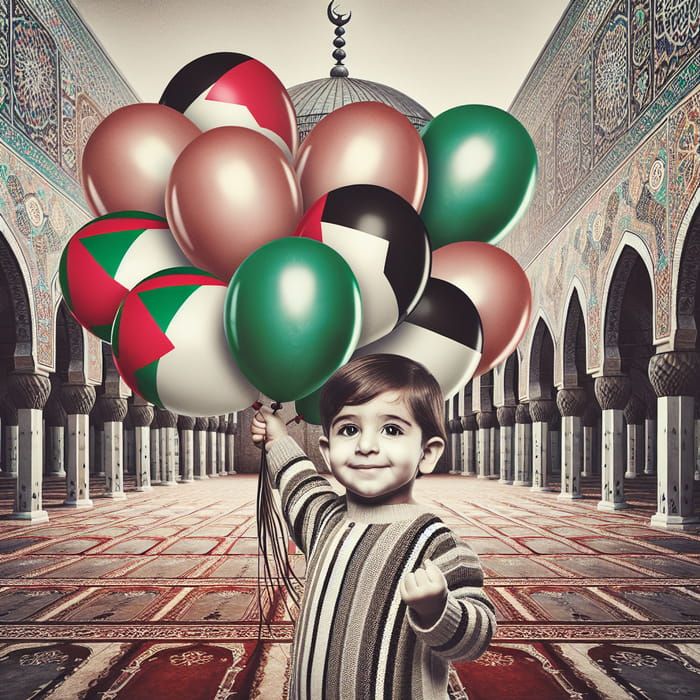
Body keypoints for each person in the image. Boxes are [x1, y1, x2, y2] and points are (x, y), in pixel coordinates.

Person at [251, 353, 496, 700]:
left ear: (427, 452)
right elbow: (298, 481)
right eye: (349, 429)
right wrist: (277, 439)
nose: (366, 446)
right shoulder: (323, 520)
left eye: (392, 429)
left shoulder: (437, 543)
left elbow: (477, 637)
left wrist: (439, 610)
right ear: (327, 449)